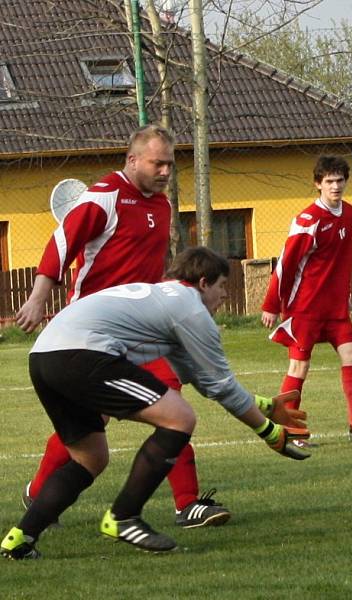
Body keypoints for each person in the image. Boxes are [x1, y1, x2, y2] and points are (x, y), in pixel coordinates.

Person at [1, 247, 310, 560]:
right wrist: (270, 432)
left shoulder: (165, 300)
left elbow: (199, 377)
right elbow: (221, 385)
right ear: (203, 283)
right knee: (179, 418)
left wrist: (266, 406)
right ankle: (124, 517)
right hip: (81, 355)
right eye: (222, 286)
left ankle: (19, 540)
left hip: (43, 358)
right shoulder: (191, 309)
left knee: (90, 459)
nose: (225, 295)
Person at [15, 125, 231, 528]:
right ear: (132, 160)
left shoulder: (161, 205)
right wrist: (38, 297)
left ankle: (188, 503)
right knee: (89, 424)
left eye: (170, 163)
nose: (166, 171)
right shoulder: (104, 197)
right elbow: (61, 242)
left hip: (139, 332)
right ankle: (40, 491)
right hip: (93, 334)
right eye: (158, 163)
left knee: (173, 404)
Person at [261, 155, 352, 444]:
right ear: (317, 184)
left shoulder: (349, 214)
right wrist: (271, 304)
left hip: (335, 308)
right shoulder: (308, 220)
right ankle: (290, 433)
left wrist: (346, 295)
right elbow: (286, 263)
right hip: (305, 307)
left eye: (340, 180)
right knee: (299, 367)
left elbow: (341, 261)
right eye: (329, 181)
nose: (335, 186)